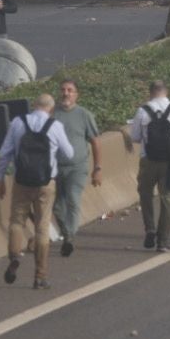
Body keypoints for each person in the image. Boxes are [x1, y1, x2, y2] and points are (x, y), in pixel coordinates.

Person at [0, 93, 73, 290]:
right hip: (46, 184)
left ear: (34, 106)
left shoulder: (18, 123)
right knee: (42, 228)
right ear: (51, 108)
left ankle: (14, 256)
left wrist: (0, 179)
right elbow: (69, 153)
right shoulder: (55, 126)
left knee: (16, 221)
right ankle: (40, 276)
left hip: (21, 182)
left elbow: (5, 153)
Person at [126, 80, 170, 251]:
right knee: (168, 199)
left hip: (148, 160)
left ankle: (150, 228)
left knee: (145, 194)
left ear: (150, 92)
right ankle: (163, 241)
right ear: (166, 92)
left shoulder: (142, 111)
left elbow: (136, 137)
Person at [50, 78, 103, 258]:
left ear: (76, 95)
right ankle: (67, 233)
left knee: (73, 199)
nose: (66, 93)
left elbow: (95, 142)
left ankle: (69, 238)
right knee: (57, 207)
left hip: (77, 168)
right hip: (57, 169)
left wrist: (97, 168)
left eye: (70, 90)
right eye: (63, 90)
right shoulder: (52, 114)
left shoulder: (84, 115)